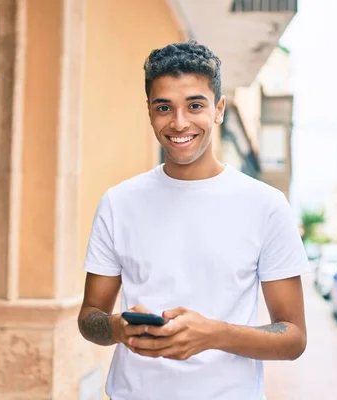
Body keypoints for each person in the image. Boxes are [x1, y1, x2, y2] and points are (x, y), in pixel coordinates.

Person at [77, 40, 309, 400]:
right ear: (150, 112)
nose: (179, 122)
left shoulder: (266, 205)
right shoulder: (118, 203)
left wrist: (214, 334)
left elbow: (293, 337)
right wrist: (118, 328)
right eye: (164, 107)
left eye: (195, 105)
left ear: (218, 109)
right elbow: (89, 318)